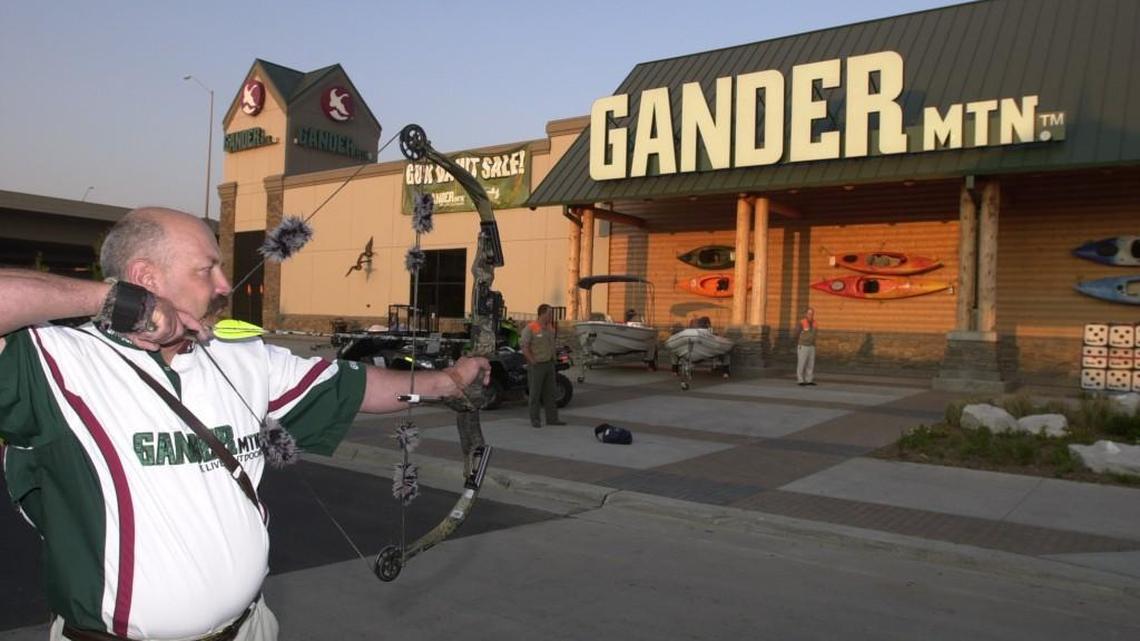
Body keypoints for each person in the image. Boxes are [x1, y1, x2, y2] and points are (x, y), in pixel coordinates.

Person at [0, 207, 489, 641]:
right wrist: (111, 301)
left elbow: (355, 386)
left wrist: (449, 381)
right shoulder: (52, 359)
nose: (223, 285)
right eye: (206, 269)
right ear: (144, 277)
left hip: (248, 628)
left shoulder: (242, 359)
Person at [520, 304, 564, 428]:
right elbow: (524, 346)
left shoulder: (550, 327)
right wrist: (532, 361)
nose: (551, 316)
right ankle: (535, 419)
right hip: (537, 365)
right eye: (549, 313)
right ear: (542, 313)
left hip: (549, 363)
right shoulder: (531, 328)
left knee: (550, 393)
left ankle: (552, 419)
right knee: (535, 394)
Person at [796, 307, 817, 386]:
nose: (810, 315)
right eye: (809, 313)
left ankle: (809, 380)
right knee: (801, 363)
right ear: (806, 314)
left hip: (812, 346)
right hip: (803, 346)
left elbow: (815, 334)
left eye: (812, 313)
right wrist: (800, 341)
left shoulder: (815, 323)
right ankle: (800, 380)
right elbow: (796, 333)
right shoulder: (801, 322)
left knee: (810, 364)